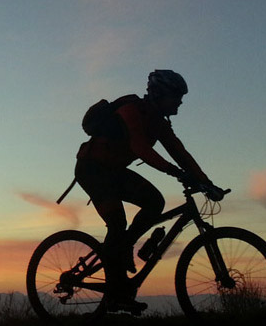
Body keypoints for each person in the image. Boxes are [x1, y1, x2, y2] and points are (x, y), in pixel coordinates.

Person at [74, 70, 221, 312]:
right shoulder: (131, 111)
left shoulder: (158, 123)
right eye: (176, 96)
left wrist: (207, 182)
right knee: (117, 224)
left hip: (114, 170)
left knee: (154, 202)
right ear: (160, 94)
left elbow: (180, 152)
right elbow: (140, 147)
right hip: (92, 169)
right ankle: (114, 293)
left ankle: (124, 247)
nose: (180, 102)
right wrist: (174, 171)